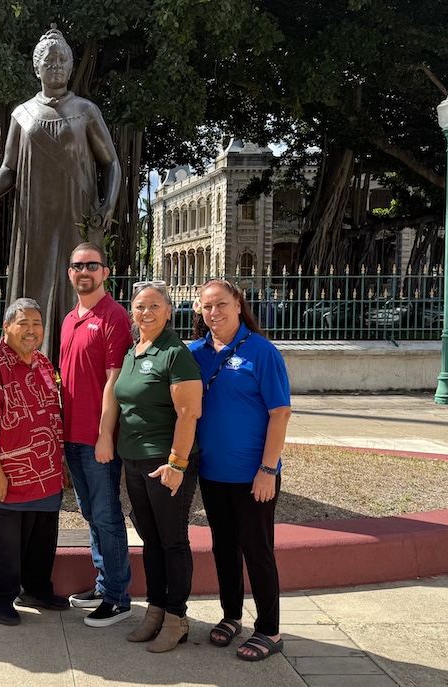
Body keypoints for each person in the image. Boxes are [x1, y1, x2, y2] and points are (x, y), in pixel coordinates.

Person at [0, 26, 122, 360]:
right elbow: (8, 169)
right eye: (49, 60)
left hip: (77, 214)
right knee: (34, 285)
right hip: (34, 218)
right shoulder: (22, 114)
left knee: (76, 284)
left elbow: (111, 163)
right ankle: (29, 361)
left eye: (63, 60)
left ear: (71, 66)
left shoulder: (86, 110)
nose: (56, 66)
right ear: (36, 68)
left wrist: (107, 206)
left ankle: (74, 358)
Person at [188, 278, 292, 662]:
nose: (214, 312)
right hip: (212, 473)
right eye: (207, 306)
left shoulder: (262, 351)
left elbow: (280, 413)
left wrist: (268, 468)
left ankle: (269, 629)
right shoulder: (196, 352)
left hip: (253, 475)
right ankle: (231, 615)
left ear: (237, 304)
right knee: (224, 548)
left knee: (257, 549)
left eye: (221, 304)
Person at [104, 281, 202, 652]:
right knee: (150, 540)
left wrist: (177, 462)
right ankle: (156, 610)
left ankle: (177, 618)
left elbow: (189, 413)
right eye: (140, 306)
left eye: (155, 306)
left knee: (172, 541)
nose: (146, 312)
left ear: (169, 311)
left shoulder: (175, 353)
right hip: (134, 461)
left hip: (166, 463)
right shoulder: (133, 351)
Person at [0, 298, 67, 626]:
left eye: (37, 323)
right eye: (23, 323)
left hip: (46, 473)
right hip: (8, 476)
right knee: (6, 546)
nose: (31, 330)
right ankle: (0, 598)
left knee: (42, 540)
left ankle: (36, 589)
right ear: (6, 327)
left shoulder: (43, 363)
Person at [59, 242, 134, 627]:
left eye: (92, 265)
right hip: (72, 436)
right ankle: (105, 584)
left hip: (96, 438)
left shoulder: (114, 316)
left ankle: (119, 598)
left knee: (106, 516)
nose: (84, 271)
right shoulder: (69, 319)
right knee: (91, 513)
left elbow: (114, 380)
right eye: (77, 266)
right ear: (69, 273)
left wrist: (106, 435)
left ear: (105, 272)